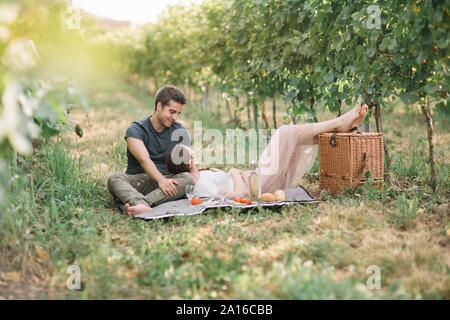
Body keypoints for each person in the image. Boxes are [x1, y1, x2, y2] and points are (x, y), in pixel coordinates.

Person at [164, 102, 369, 203]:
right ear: (190, 160)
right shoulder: (199, 186)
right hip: (258, 183)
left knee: (290, 137)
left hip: (254, 177)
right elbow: (233, 196)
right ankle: (339, 123)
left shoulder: (201, 176)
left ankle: (339, 125)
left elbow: (232, 181)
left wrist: (235, 173)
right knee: (285, 133)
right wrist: (235, 174)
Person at [107, 85, 197, 217]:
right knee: (114, 178)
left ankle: (140, 204)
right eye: (172, 112)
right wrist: (161, 180)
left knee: (187, 178)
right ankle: (141, 202)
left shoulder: (181, 132)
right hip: (140, 181)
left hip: (170, 182)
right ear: (159, 106)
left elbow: (189, 165)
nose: (175, 117)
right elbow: (144, 160)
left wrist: (192, 179)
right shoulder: (136, 130)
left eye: (178, 113)